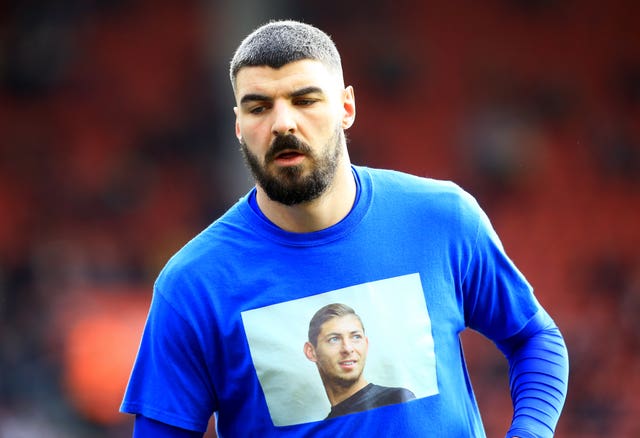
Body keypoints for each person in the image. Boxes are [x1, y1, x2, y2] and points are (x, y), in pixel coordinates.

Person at [120, 20, 569, 437]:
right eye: (259, 107)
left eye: (304, 99)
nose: (282, 123)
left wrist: (528, 431)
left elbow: (534, 338)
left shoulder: (441, 218)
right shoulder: (193, 285)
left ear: (346, 107)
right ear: (238, 125)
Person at [303, 303, 416, 419]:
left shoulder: (397, 401)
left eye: (356, 337)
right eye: (334, 339)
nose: (348, 348)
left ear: (366, 345)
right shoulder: (323, 431)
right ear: (311, 351)